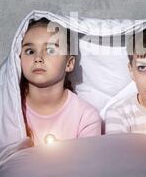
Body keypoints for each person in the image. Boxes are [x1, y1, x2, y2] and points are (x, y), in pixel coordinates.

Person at [20, 18, 102, 146]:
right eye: (30, 51)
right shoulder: (8, 110)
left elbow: (88, 163)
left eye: (50, 50)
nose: (38, 58)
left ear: (69, 63)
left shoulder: (85, 117)